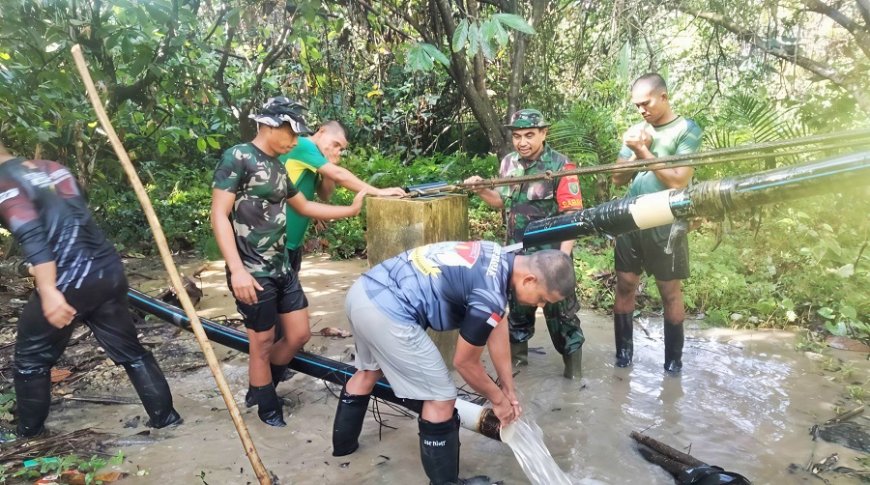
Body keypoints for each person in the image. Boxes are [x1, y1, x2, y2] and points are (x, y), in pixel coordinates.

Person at [331, 241, 575, 485]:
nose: (541, 305)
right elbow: (465, 363)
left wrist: (507, 388)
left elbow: (498, 324)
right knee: (441, 398)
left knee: (368, 373)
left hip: (362, 293)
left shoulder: (498, 255)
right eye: (543, 298)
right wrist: (499, 402)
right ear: (529, 280)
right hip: (390, 313)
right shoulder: (490, 297)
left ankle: (343, 449)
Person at [0, 141, 182, 438]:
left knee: (31, 360)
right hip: (107, 269)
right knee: (132, 354)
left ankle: (29, 436)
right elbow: (71, 218)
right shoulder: (53, 168)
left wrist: (48, 290)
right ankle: (167, 421)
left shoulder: (4, 183)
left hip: (67, 279)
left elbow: (31, 234)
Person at [210, 97, 367, 427]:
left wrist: (351, 210)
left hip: (282, 265)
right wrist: (237, 269)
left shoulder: (280, 167)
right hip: (251, 269)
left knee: (298, 334)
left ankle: (260, 385)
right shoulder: (238, 156)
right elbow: (219, 215)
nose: (296, 140)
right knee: (262, 341)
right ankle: (268, 408)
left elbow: (307, 207)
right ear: (267, 126)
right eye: (290, 132)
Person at [463, 109, 586, 379]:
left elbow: (572, 216)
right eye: (517, 136)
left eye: (529, 135)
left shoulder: (561, 166)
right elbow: (501, 202)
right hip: (516, 259)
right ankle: (518, 374)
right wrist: (481, 189)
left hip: (550, 261)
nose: (523, 142)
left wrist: (564, 260)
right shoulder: (509, 164)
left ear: (544, 133)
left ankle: (574, 378)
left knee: (563, 320)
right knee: (516, 317)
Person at [611, 73, 702, 373]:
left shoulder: (686, 130)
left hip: (666, 218)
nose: (641, 111)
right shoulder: (637, 130)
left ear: (663, 96)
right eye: (636, 105)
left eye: (646, 103)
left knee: (669, 291)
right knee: (624, 284)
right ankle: (623, 357)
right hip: (631, 215)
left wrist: (644, 152)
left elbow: (679, 179)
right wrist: (633, 152)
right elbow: (617, 177)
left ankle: (673, 363)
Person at [279, 121, 405, 273]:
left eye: (340, 148)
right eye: (335, 144)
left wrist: (329, 168)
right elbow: (339, 175)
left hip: (293, 243)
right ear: (322, 131)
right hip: (279, 242)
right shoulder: (304, 145)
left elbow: (325, 194)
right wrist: (379, 191)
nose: (337, 150)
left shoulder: (315, 157)